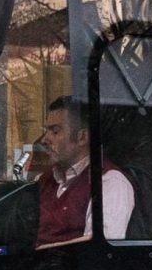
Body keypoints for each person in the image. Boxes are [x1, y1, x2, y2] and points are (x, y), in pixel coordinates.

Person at [33, 96, 134, 246]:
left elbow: (100, 244)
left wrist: (41, 251)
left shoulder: (110, 182)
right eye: (46, 130)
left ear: (82, 137)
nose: (44, 140)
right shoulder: (43, 180)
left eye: (55, 131)